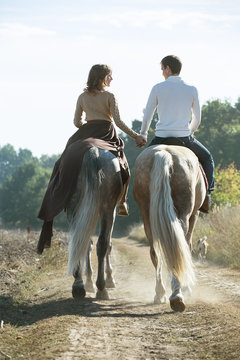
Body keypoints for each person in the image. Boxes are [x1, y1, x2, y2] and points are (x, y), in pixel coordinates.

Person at [37, 64, 143, 253]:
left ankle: (58, 195)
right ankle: (122, 200)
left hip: (86, 132)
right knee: (123, 163)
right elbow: (117, 121)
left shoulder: (82, 97)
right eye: (110, 76)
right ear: (103, 77)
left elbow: (77, 122)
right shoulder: (110, 96)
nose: (112, 79)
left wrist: (87, 125)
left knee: (61, 162)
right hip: (106, 133)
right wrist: (135, 136)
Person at [138, 55, 215, 213]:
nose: (162, 73)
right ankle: (207, 196)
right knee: (207, 158)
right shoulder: (192, 89)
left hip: (161, 138)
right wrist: (189, 132)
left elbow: (148, 114)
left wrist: (144, 133)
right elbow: (198, 118)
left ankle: (136, 197)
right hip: (183, 139)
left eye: (162, 69)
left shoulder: (158, 88)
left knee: (140, 164)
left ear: (167, 68)